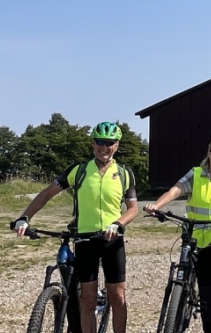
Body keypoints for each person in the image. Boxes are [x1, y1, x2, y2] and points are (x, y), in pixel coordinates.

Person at [13, 121, 138, 333]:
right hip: (84, 239)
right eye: (100, 142)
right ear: (92, 143)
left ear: (117, 145)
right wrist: (24, 218)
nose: (104, 147)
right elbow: (46, 194)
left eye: (109, 143)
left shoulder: (125, 173)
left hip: (112, 240)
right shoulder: (79, 171)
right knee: (87, 299)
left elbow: (133, 208)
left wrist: (118, 223)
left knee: (117, 296)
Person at [144, 137, 211, 333]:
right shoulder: (196, 175)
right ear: (208, 154)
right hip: (202, 245)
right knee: (208, 298)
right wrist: (156, 206)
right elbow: (175, 190)